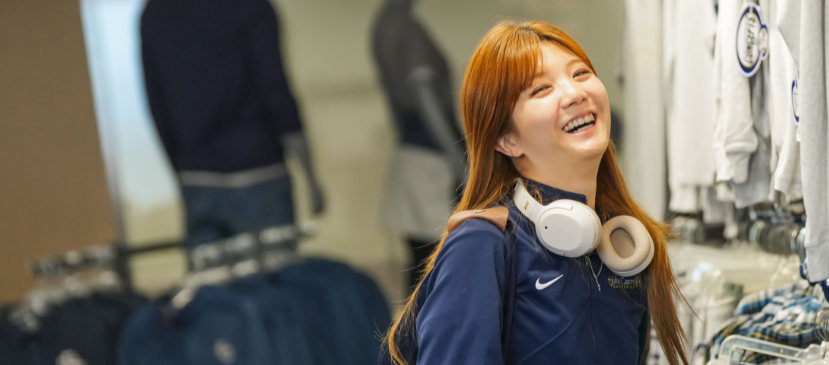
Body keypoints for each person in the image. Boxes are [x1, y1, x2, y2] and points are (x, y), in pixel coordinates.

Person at [383, 21, 689, 365]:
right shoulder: (481, 245)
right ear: (507, 140)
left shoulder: (625, 249)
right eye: (541, 90)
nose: (575, 93)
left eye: (581, 73)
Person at [140, 0, 324, 251]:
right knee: (276, 284)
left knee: (213, 287)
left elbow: (159, 107)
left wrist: (182, 172)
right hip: (259, 170)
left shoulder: (155, 12)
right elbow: (276, 92)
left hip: (198, 177)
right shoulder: (251, 7)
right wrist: (310, 175)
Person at [371, 0, 466, 293]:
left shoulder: (384, 23)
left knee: (422, 267)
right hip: (430, 159)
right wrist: (458, 159)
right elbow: (423, 93)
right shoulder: (405, 28)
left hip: (416, 154)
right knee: (436, 267)